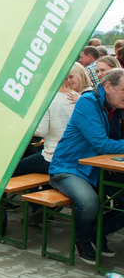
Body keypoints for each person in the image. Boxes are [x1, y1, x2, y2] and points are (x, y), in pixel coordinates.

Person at [49, 68, 124, 264]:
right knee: (89, 203)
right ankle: (82, 240)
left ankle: (98, 232)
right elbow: (102, 144)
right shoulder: (88, 102)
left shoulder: (116, 107)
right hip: (69, 168)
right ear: (108, 87)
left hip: (98, 169)